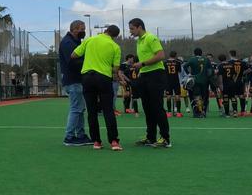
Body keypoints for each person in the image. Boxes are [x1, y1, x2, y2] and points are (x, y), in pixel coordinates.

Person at [71, 25, 122, 151]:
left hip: (87, 77)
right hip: (104, 78)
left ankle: (96, 142)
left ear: (105, 31)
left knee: (92, 111)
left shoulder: (89, 40)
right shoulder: (115, 46)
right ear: (114, 36)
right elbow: (115, 69)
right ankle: (114, 141)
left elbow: (73, 55)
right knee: (108, 110)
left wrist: (89, 59)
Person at [128, 18, 171, 148]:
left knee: (157, 107)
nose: (130, 32)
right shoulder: (139, 41)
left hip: (156, 74)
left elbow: (161, 55)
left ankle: (165, 138)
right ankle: (150, 137)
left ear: (139, 27)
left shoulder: (151, 38)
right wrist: (139, 66)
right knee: (147, 108)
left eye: (132, 29)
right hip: (145, 75)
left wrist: (142, 63)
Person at [58, 20, 91, 147]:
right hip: (73, 81)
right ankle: (69, 137)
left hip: (77, 80)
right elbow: (72, 62)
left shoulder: (75, 42)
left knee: (80, 109)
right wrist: (89, 63)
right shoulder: (68, 42)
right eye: (82, 28)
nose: (84, 31)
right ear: (75, 29)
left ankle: (81, 135)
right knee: (76, 109)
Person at [184, 48, 212, 118]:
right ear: (201, 53)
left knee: (197, 96)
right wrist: (208, 76)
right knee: (204, 96)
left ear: (194, 53)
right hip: (205, 81)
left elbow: (184, 66)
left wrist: (189, 73)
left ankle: (198, 113)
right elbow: (210, 70)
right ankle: (204, 112)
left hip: (195, 80)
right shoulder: (206, 59)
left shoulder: (192, 59)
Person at [164, 51, 183, 117]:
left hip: (168, 81)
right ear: (175, 55)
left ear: (169, 55)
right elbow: (179, 71)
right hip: (176, 81)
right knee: (177, 96)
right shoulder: (178, 62)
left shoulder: (165, 62)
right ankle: (178, 112)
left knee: (168, 96)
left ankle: (169, 113)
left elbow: (163, 72)